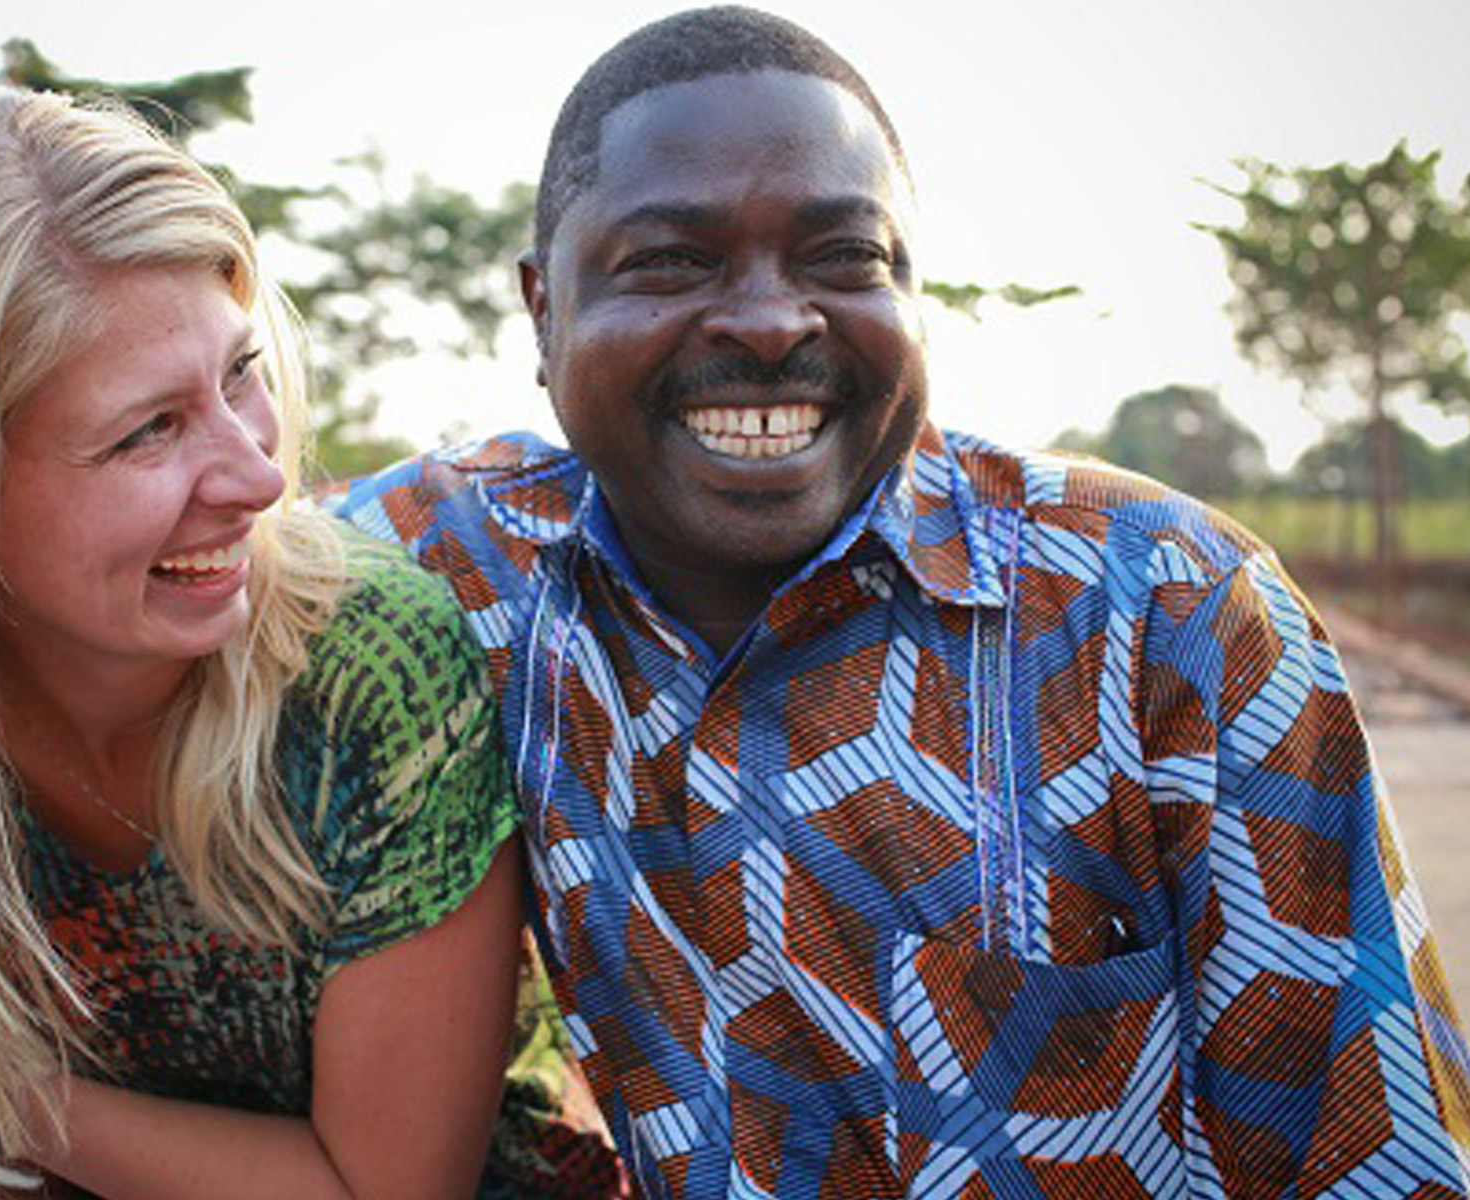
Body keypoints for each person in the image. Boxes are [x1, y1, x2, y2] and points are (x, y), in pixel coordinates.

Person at [325, 7, 1470, 1199]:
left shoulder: (1162, 618)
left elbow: (1381, 1159)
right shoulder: (449, 577)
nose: (771, 321)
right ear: (543, 310)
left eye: (844, 259)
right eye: (670, 260)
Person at [0, 83, 623, 1200]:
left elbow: (390, 1189)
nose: (263, 477)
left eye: (240, 375)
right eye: (147, 431)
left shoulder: (367, 674)